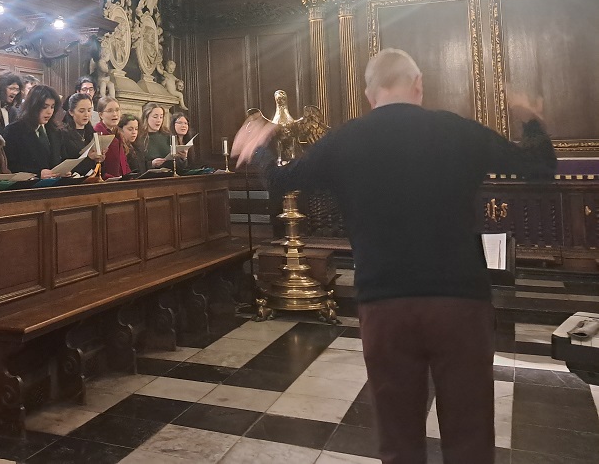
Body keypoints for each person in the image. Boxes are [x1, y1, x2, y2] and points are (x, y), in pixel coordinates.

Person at [231, 48, 556, 464]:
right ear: (418, 85)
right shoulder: (456, 130)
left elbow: (282, 181)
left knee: (398, 439)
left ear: (370, 94)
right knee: (470, 432)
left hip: (384, 303)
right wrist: (530, 119)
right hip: (460, 300)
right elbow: (539, 168)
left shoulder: (346, 138)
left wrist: (261, 146)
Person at [3, 84, 64, 178]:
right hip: (28, 188)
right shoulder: (14, 131)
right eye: (45, 107)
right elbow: (11, 166)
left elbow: (58, 159)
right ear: (33, 106)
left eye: (52, 107)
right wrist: (37, 173)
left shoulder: (55, 130)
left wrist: (63, 171)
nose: (49, 112)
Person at [103, 113, 141, 178]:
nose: (134, 132)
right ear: (121, 129)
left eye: (136, 129)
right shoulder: (120, 147)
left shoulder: (137, 146)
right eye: (130, 129)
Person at [94, 96, 124, 178]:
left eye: (117, 110)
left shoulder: (118, 133)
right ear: (101, 115)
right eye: (110, 111)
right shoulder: (97, 133)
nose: (115, 114)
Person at [140, 102, 173, 168]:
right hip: (150, 176)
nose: (159, 120)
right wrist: (151, 164)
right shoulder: (139, 137)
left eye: (161, 117)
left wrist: (183, 158)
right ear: (146, 117)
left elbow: (178, 164)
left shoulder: (167, 135)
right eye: (155, 117)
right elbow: (136, 165)